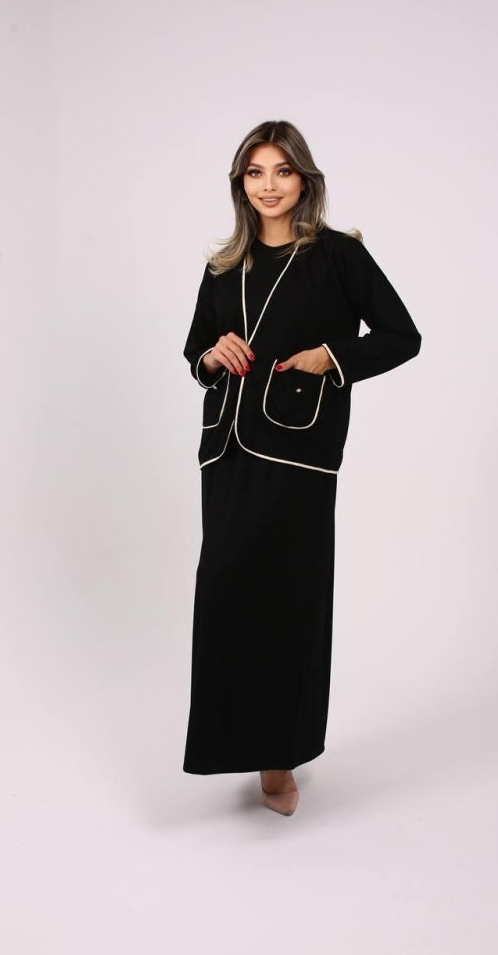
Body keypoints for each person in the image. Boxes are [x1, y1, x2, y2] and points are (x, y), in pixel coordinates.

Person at [182, 119, 421, 816]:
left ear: (304, 179)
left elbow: (402, 335)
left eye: (282, 171)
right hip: (227, 452)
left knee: (286, 600)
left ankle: (279, 758)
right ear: (240, 184)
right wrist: (211, 356)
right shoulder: (224, 266)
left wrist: (331, 357)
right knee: (224, 592)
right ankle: (233, 743)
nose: (269, 185)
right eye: (255, 173)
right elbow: (196, 348)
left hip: (299, 455)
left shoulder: (338, 256)